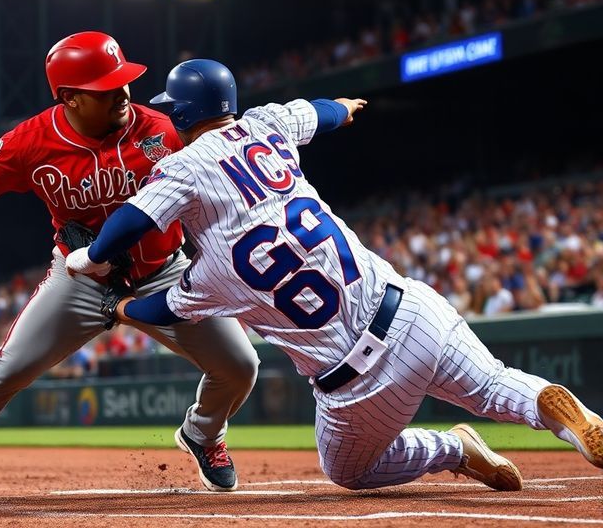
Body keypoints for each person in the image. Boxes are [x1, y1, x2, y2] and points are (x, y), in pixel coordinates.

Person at [67, 58, 603, 491]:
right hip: (413, 309)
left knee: (350, 472)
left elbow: (141, 247)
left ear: (181, 115)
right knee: (493, 386)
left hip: (360, 382)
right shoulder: (265, 124)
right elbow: (318, 112)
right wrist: (344, 108)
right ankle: (565, 417)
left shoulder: (211, 258)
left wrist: (101, 282)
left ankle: (454, 448)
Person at [0, 34, 259, 502]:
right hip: (81, 282)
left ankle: (203, 433)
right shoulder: (33, 139)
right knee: (7, 369)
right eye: (106, 88)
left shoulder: (162, 129)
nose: (122, 93)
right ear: (68, 97)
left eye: (124, 82)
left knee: (240, 365)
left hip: (163, 272)